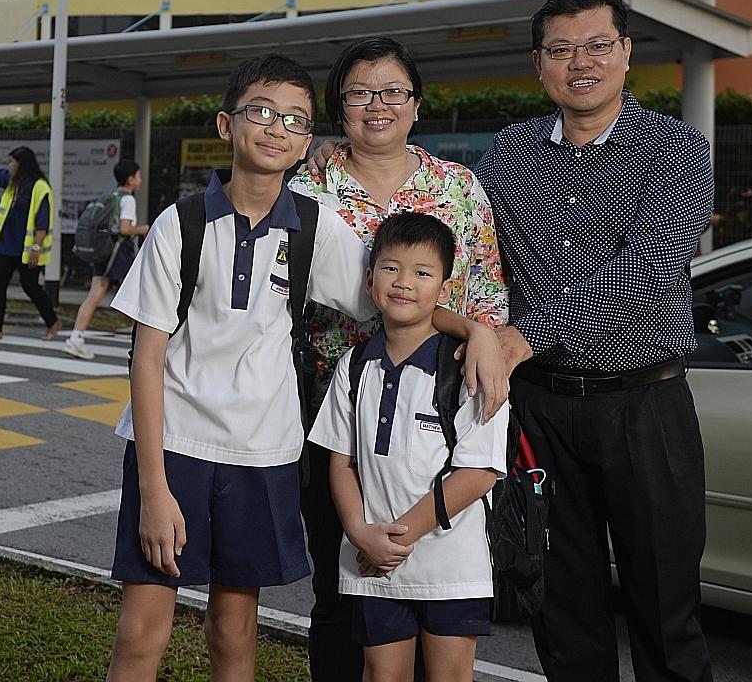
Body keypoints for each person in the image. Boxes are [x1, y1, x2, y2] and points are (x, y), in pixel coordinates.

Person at [104, 54, 501, 682]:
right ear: (225, 124)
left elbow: (396, 295)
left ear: (308, 139)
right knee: (142, 634)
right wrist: (154, 489)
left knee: (235, 632)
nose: (274, 127)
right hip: (175, 447)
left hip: (265, 452)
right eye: (259, 112)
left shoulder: (316, 226)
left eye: (293, 118)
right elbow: (146, 356)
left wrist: (474, 329)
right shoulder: (180, 225)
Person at [475, 0, 715, 682]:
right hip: (541, 412)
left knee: (666, 612)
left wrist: (526, 334)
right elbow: (457, 230)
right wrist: (341, 168)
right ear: (539, 63)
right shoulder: (512, 152)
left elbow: (647, 270)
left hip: (647, 407)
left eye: (597, 45)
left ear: (626, 53)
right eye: (561, 49)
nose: (581, 62)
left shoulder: (675, 148)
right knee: (563, 616)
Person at [289, 36, 508, 680]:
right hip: (340, 404)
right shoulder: (307, 186)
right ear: (339, 109)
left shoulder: (459, 187)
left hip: (440, 407)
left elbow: (486, 292)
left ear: (416, 105)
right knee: (341, 588)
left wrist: (484, 337)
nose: (376, 105)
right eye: (359, 94)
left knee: (437, 592)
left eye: (392, 92)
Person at [309, 211, 509, 682]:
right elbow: (340, 460)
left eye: (422, 273)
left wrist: (392, 539)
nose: (404, 283)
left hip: (449, 565)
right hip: (371, 563)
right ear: (370, 277)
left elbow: (479, 473)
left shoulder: (469, 369)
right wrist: (360, 532)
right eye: (391, 268)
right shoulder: (355, 366)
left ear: (444, 288)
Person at [63, 159, 148, 361]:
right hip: (118, 253)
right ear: (131, 180)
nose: (140, 180)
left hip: (104, 250)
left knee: (96, 294)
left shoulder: (110, 196)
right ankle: (148, 341)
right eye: (139, 176)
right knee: (137, 295)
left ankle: (76, 337)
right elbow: (125, 229)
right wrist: (144, 228)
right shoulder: (128, 200)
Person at [0, 145, 61, 342]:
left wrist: (36, 247)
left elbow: (43, 220)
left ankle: (52, 322)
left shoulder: (39, 186)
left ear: (22, 164)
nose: (10, 165)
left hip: (26, 249)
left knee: (30, 286)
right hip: (6, 245)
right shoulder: (11, 181)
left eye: (13, 162)